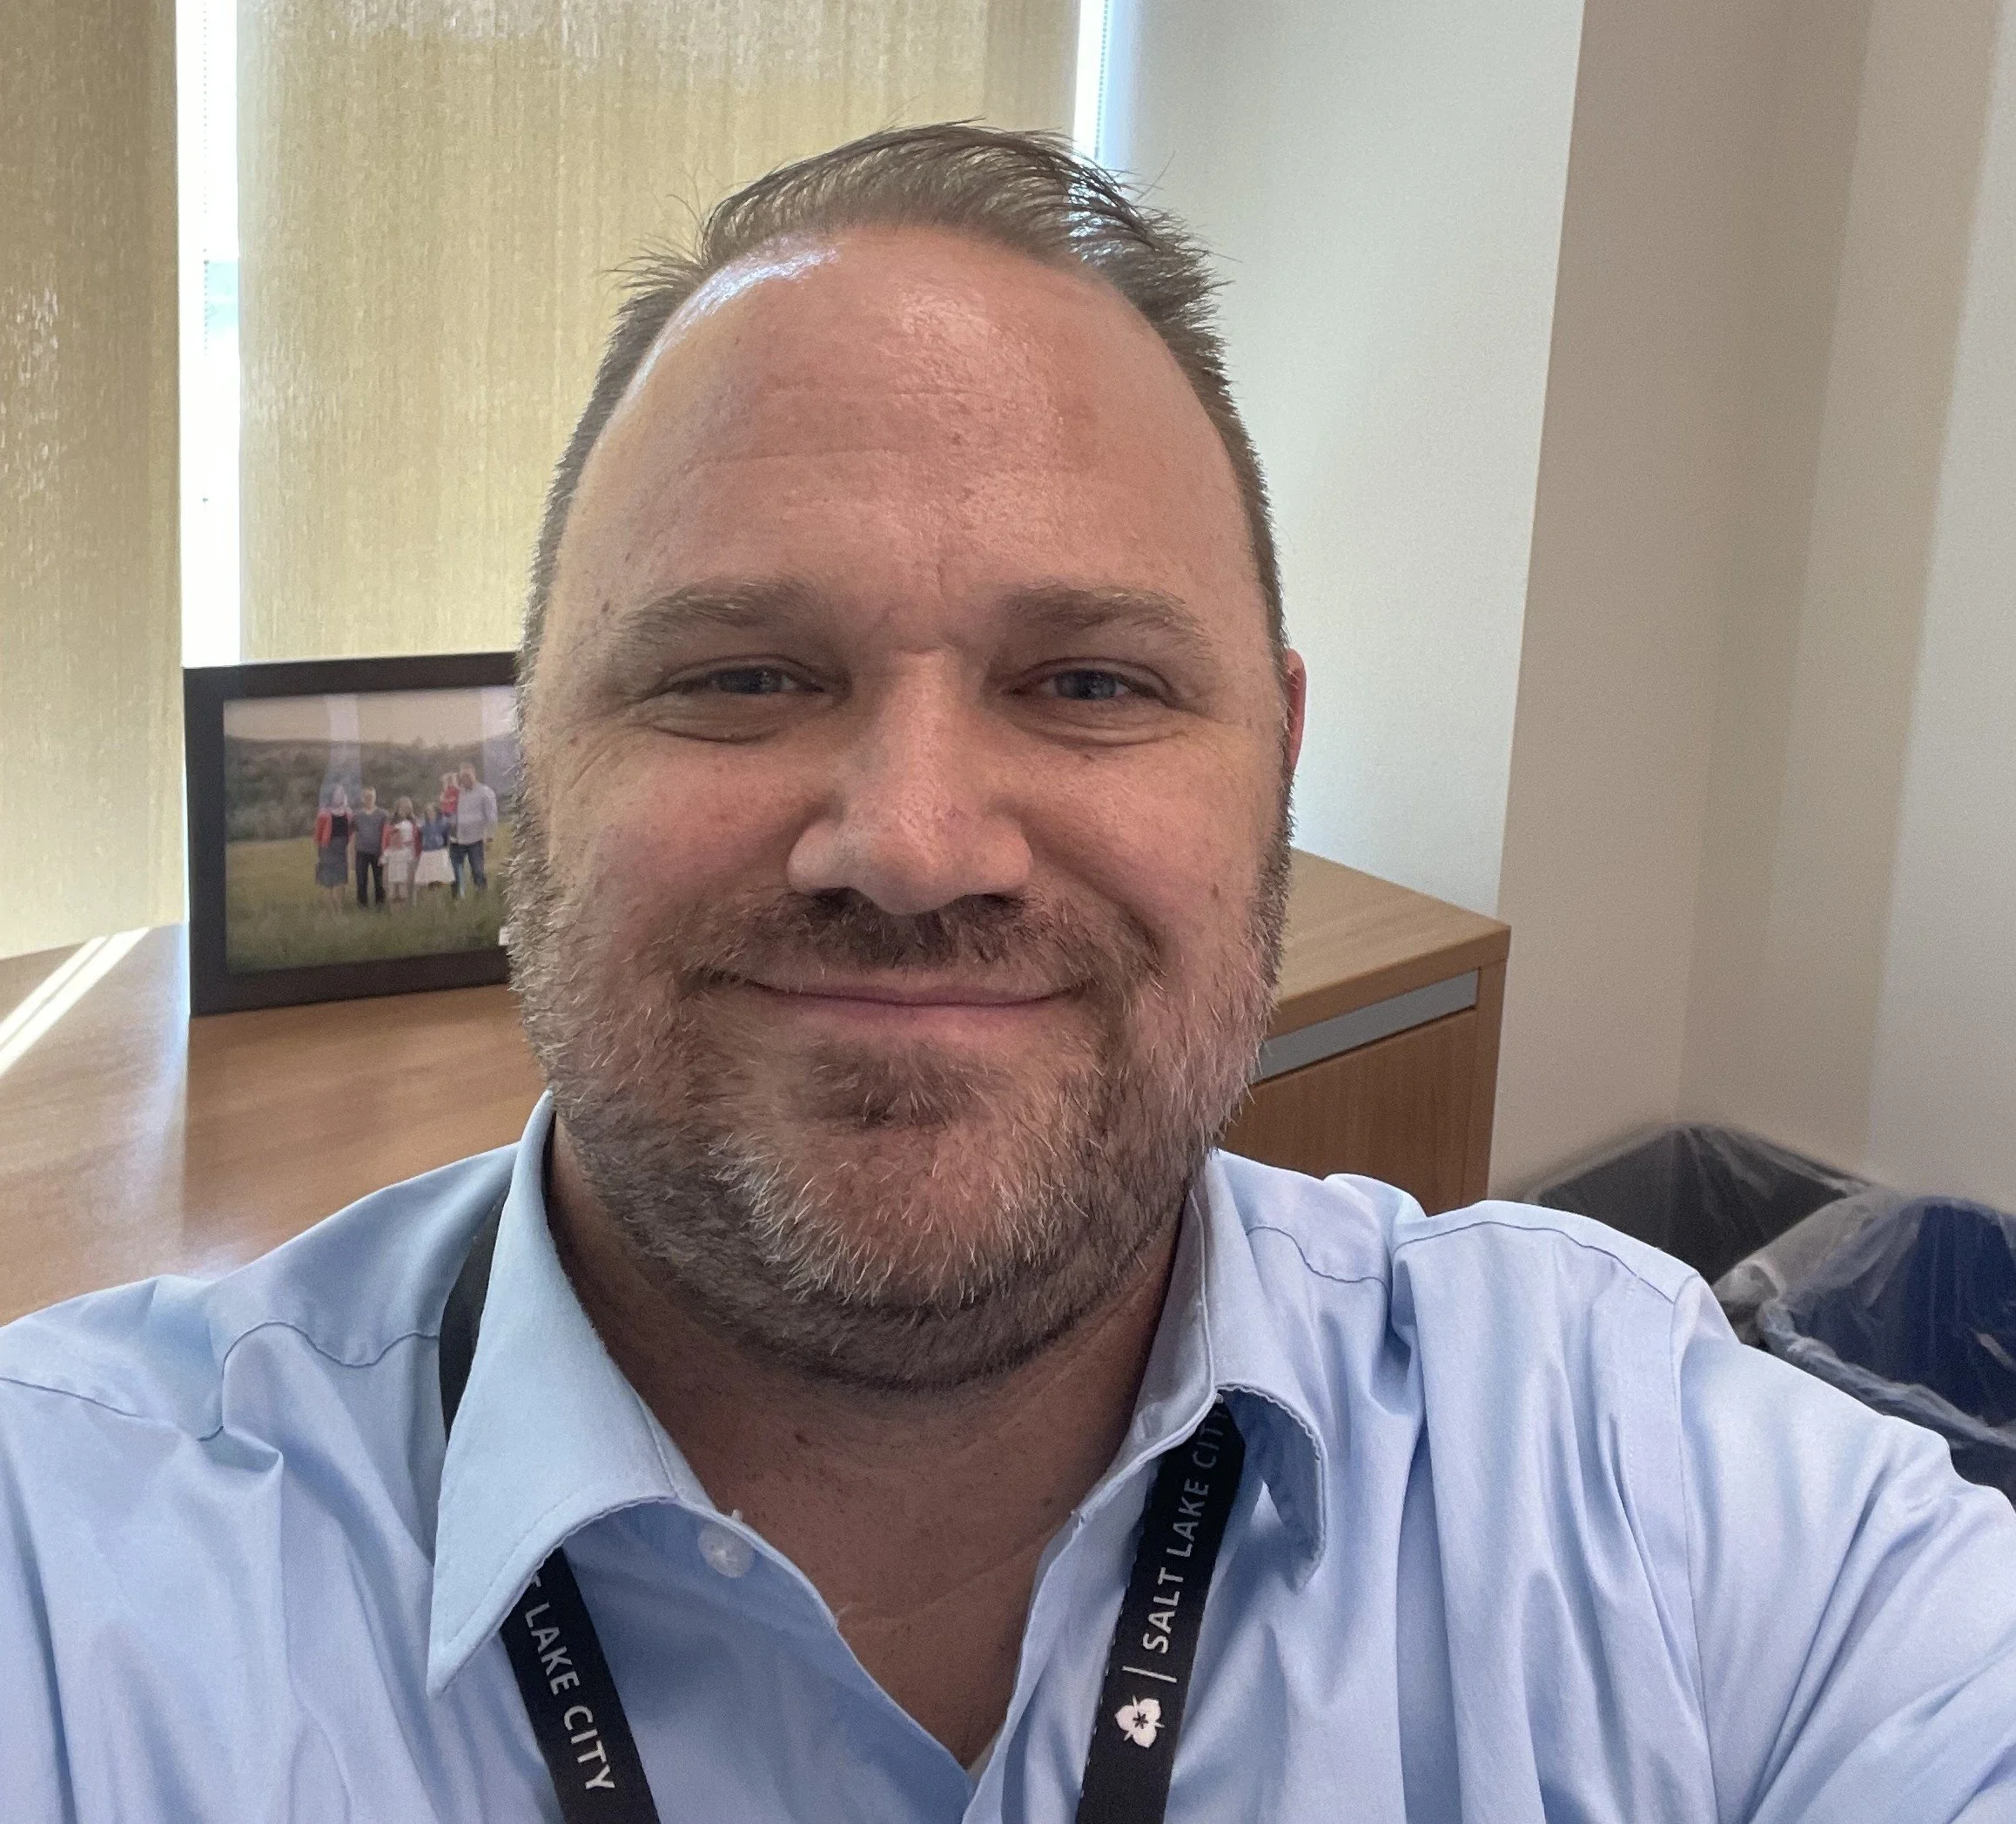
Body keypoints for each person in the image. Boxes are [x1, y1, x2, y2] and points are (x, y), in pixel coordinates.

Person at [2, 125, 2013, 1822]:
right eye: (737, 676)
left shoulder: (1662, 1502)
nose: (915, 841)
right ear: (527, 771)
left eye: (1089, 683)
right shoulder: (69, 1583)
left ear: (1276, 771)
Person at [447, 763, 499, 898]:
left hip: (475, 839)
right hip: (456, 839)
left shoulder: (485, 792)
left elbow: (492, 816)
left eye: (468, 775)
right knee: (455, 872)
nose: (465, 779)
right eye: (462, 776)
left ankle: (481, 897)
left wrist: (490, 837)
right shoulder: (457, 793)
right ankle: (458, 899)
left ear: (474, 775)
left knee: (478, 871)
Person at [312, 784, 353, 913]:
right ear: (332, 796)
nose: (339, 796)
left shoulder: (348, 813)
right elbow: (318, 834)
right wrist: (318, 852)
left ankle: (339, 909)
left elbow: (351, 832)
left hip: (342, 849)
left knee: (341, 880)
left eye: (342, 793)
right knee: (328, 881)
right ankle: (331, 911)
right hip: (328, 848)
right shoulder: (324, 813)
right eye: (337, 793)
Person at [351, 785, 390, 910]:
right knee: (361, 880)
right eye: (366, 797)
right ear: (362, 799)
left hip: (378, 852)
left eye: (371, 797)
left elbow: (387, 834)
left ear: (375, 797)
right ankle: (362, 905)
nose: (369, 799)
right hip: (361, 851)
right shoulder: (356, 816)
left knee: (379, 880)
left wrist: (385, 853)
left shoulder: (383, 814)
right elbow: (353, 836)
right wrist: (351, 855)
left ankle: (380, 904)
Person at [413, 798, 454, 895]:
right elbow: (419, 832)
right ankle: (431, 895)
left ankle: (439, 895)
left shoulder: (443, 822)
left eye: (431, 811)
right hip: (427, 852)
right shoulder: (423, 824)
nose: (429, 813)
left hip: (439, 852)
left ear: (436, 811)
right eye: (427, 811)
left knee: (439, 876)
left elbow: (449, 830)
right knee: (429, 877)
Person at [384, 797, 420, 906]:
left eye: (407, 808)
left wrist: (417, 854)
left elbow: (418, 840)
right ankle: (395, 910)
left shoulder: (414, 823)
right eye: (402, 808)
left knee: (409, 883)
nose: (405, 810)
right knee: (392, 883)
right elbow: (386, 840)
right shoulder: (391, 823)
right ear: (397, 808)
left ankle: (409, 910)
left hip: (411, 854)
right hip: (394, 854)